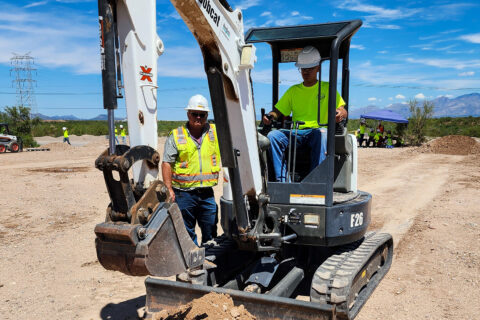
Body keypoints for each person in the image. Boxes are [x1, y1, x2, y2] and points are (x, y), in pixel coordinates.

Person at [262, 46, 347, 182]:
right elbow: (278, 111)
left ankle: (317, 182)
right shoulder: (293, 91)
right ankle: (283, 182)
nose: (306, 72)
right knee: (273, 136)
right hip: (296, 133)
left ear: (318, 68)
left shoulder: (328, 88)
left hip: (317, 131)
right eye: (303, 69)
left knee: (322, 134)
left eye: (310, 68)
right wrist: (270, 116)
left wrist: (339, 113)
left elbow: (342, 109)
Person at [161, 94, 221, 246]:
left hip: (207, 193)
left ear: (207, 115)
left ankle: (209, 259)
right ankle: (192, 264)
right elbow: (167, 163)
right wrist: (168, 189)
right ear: (188, 114)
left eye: (202, 114)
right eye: (195, 114)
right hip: (184, 194)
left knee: (210, 230)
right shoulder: (177, 135)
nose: (198, 117)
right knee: (187, 234)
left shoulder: (215, 132)